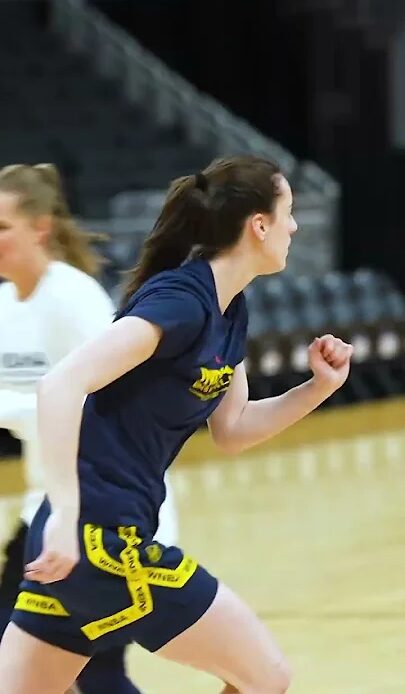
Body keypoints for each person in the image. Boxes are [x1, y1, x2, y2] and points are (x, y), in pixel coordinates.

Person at [0, 155, 353, 694]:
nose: (295, 226)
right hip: (99, 539)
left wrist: (319, 387)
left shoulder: (229, 309)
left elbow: (231, 429)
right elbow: (61, 385)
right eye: (289, 213)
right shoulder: (180, 302)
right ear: (259, 225)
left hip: (95, 538)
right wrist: (66, 515)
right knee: (265, 678)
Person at [0, 163, 178, 694]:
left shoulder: (75, 299)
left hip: (105, 518)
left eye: (2, 227)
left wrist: (11, 408)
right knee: (75, 673)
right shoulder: (6, 304)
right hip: (48, 516)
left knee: (84, 672)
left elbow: (106, 409)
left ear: (40, 228)